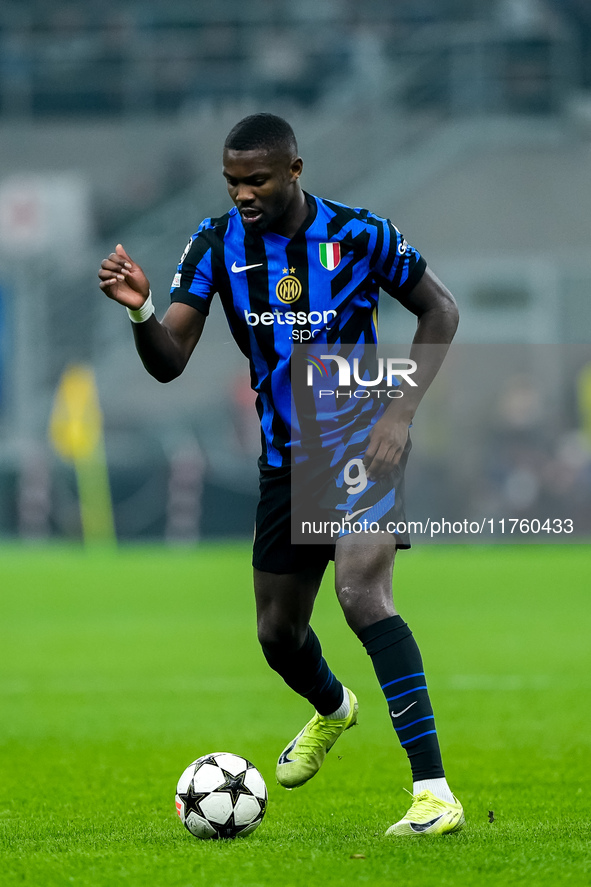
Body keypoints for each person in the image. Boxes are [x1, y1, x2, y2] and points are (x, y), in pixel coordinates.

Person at [98, 113, 463, 837]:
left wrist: (400, 415)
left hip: (363, 445)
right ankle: (333, 707)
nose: (242, 193)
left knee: (363, 595)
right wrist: (141, 309)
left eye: (256, 179)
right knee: (276, 633)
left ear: (294, 170)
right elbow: (170, 360)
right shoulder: (213, 244)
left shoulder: (359, 234)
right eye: (232, 181)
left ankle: (433, 792)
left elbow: (439, 311)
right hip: (284, 461)